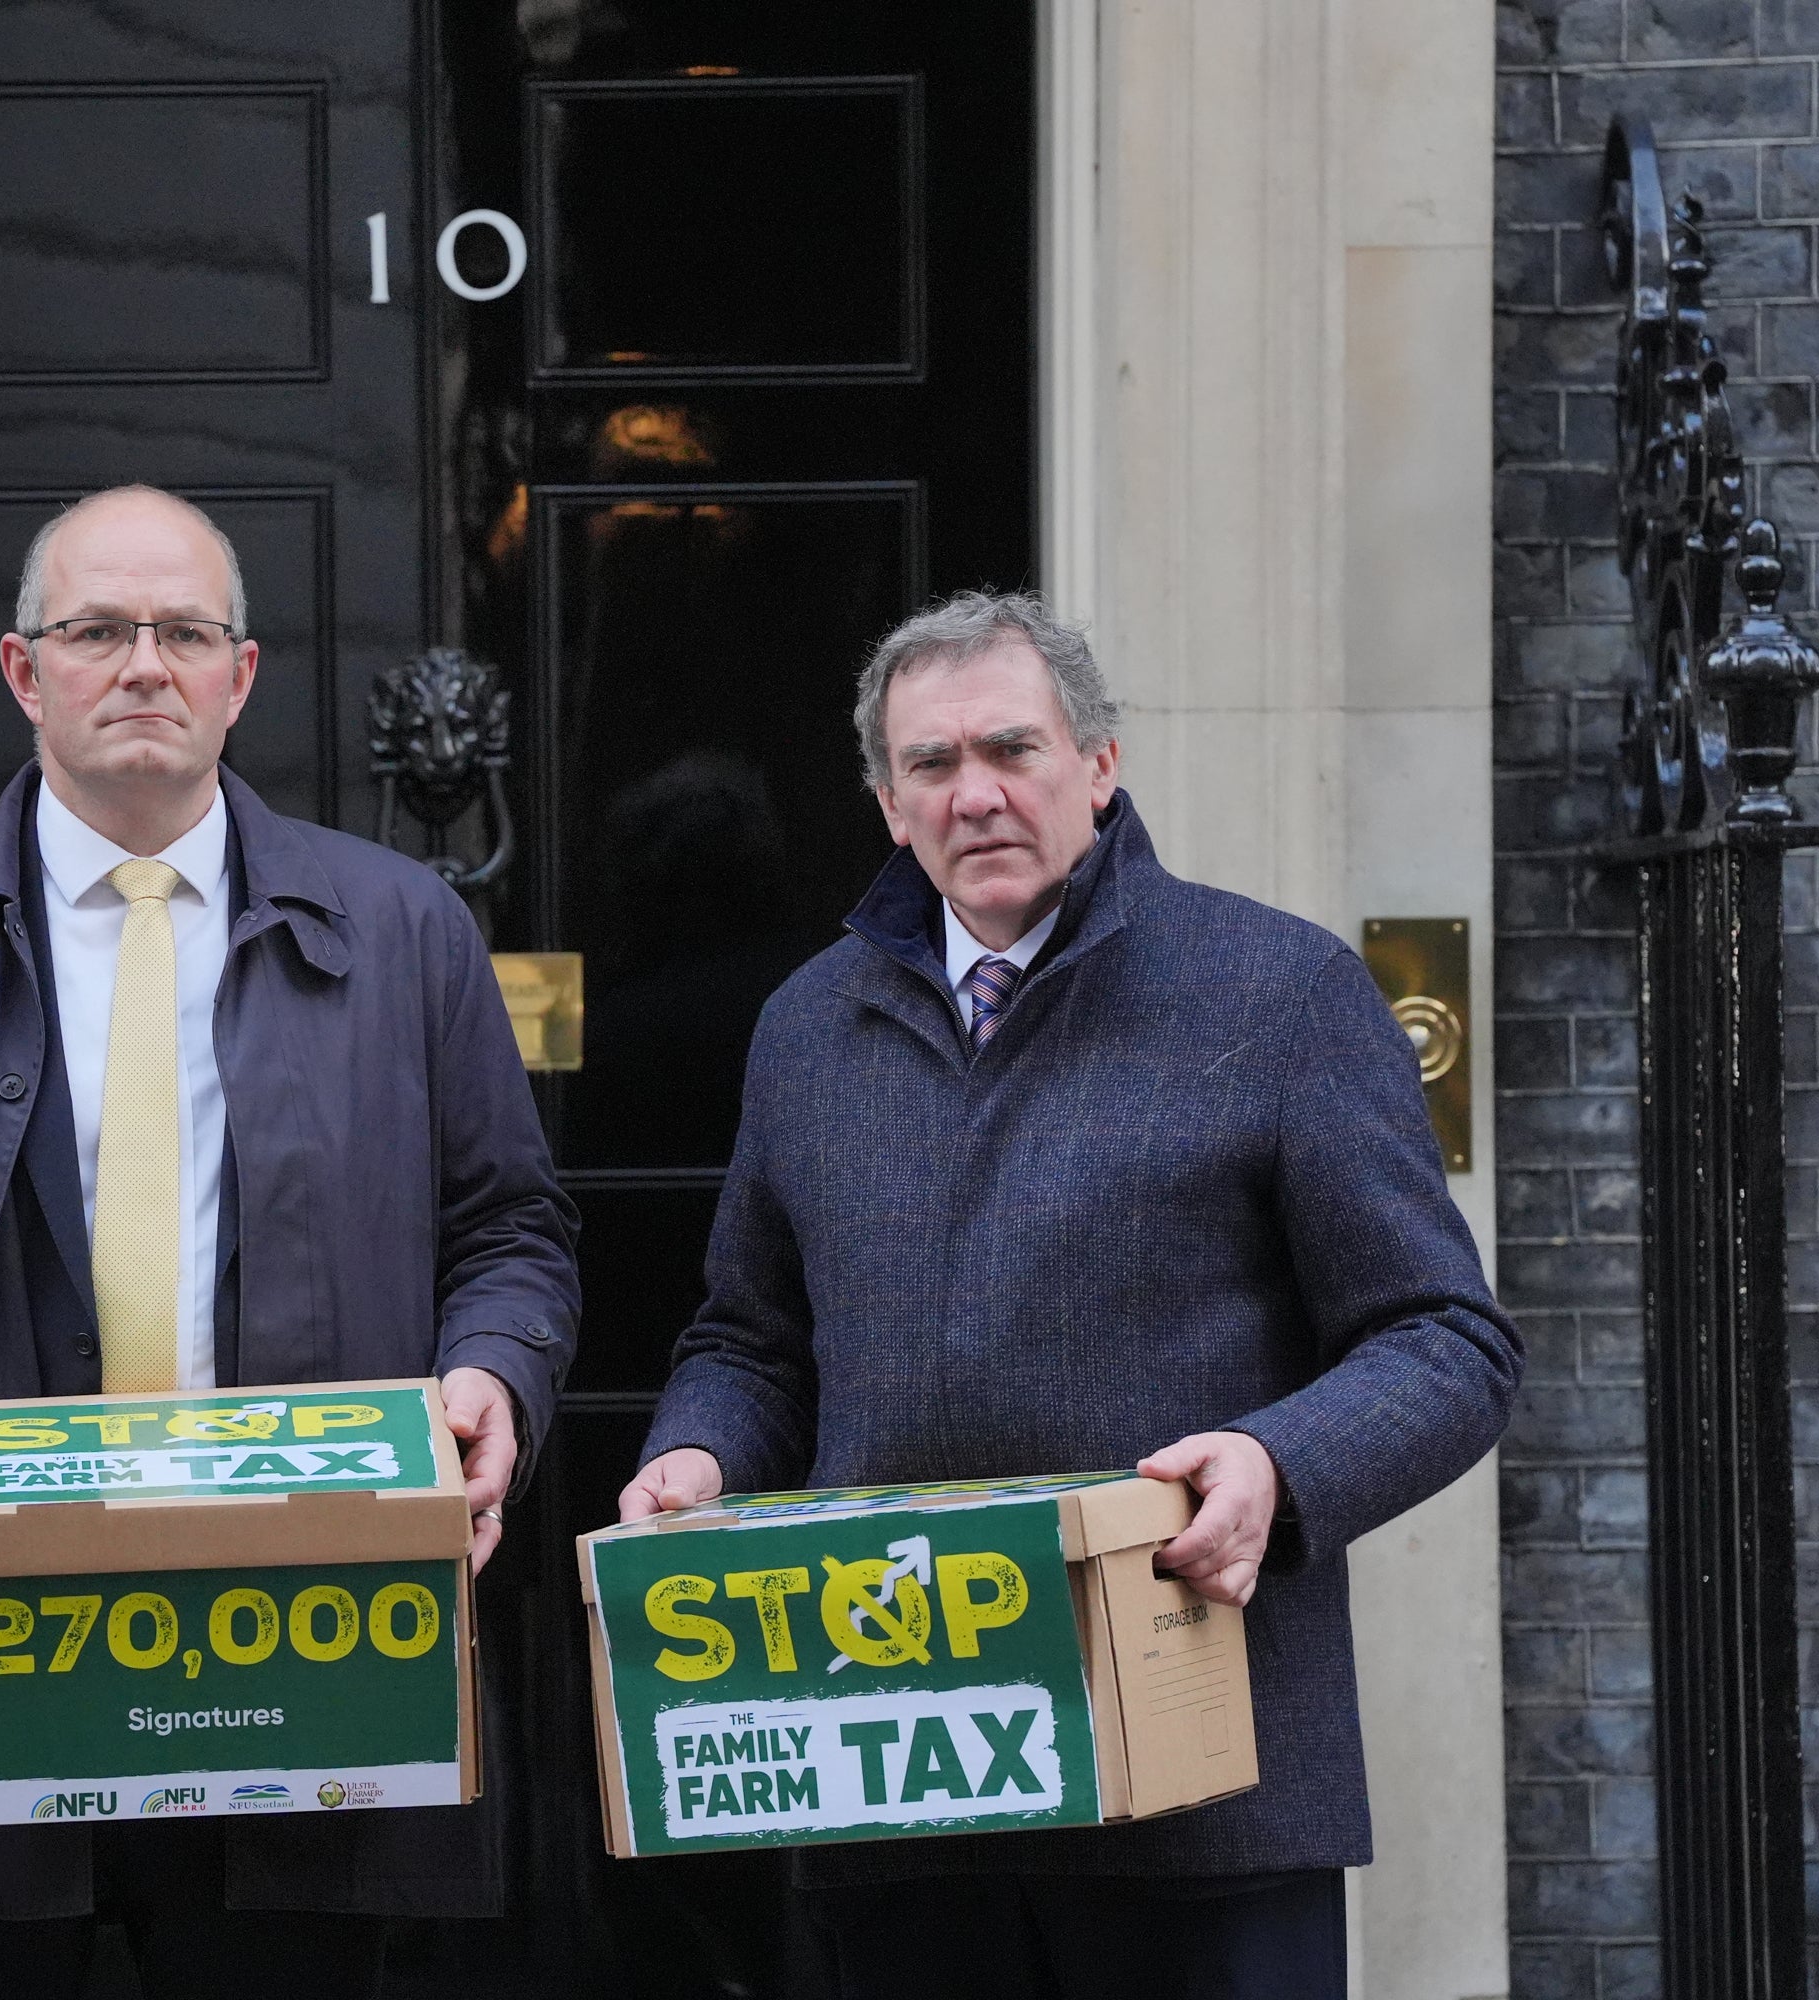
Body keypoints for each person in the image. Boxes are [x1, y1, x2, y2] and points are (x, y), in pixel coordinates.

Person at [0, 485, 578, 1999]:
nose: (143, 666)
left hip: (303, 1679)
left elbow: (510, 1230)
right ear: (21, 670)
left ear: (241, 677)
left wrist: (493, 1377)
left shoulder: (405, 932)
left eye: (184, 632)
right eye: (98, 630)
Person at [617, 592, 1521, 2000]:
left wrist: (1280, 1465)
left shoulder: (1280, 994)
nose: (974, 793)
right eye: (931, 766)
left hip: (1202, 1786)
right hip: (900, 1772)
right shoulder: (807, 1027)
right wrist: (697, 1452)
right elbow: (754, 1339)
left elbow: (1447, 1342)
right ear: (884, 802)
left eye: (1012, 749)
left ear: (1098, 765)